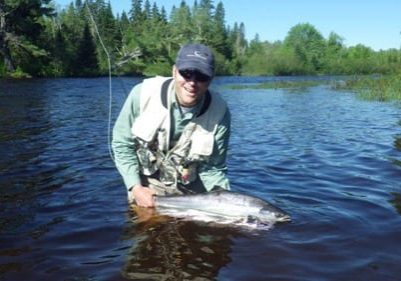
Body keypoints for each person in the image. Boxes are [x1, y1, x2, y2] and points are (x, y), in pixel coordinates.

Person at [112, 43, 231, 207]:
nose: (192, 83)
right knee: (145, 228)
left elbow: (213, 168)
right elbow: (122, 144)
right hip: (146, 185)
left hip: (192, 190)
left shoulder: (220, 112)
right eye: (187, 73)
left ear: (210, 80)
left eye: (201, 76)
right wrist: (135, 187)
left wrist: (225, 199)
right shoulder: (141, 94)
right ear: (174, 71)